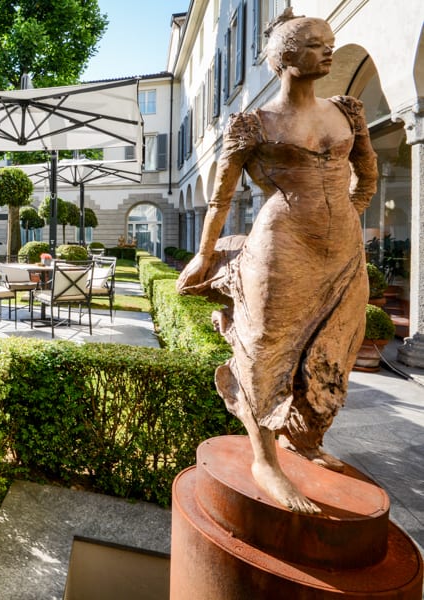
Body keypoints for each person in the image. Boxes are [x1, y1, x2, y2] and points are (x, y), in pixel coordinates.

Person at [176, 9, 378, 514]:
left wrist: (340, 224)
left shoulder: (348, 111)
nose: (328, 51)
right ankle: (264, 458)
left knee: (337, 345)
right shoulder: (253, 124)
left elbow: (367, 176)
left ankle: (304, 439)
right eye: (314, 44)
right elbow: (219, 200)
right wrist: (204, 254)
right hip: (281, 247)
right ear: (284, 57)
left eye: (329, 42)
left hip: (343, 252)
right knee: (267, 346)